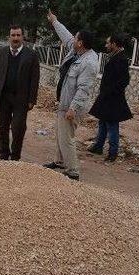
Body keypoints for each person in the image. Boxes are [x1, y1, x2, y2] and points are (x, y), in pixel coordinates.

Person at [43, 10, 98, 181]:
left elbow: (84, 89)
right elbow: (65, 37)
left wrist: (73, 108)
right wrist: (54, 22)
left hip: (72, 106)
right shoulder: (76, 52)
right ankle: (60, 161)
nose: (72, 39)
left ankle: (73, 170)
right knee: (61, 133)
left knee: (67, 137)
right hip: (64, 102)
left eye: (76, 38)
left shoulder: (89, 62)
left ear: (80, 43)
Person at [0, 25, 40, 161]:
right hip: (4, 96)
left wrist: (32, 100)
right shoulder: (1, 52)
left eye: (18, 35)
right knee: (2, 126)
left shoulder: (31, 55)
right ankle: (4, 154)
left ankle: (15, 156)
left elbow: (35, 79)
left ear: (23, 37)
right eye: (13, 35)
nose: (15, 38)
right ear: (9, 37)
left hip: (21, 99)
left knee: (18, 128)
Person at [87, 33, 133, 162]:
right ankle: (98, 146)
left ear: (114, 44)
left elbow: (124, 81)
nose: (106, 45)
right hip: (107, 96)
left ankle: (113, 152)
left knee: (112, 125)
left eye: (108, 43)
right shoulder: (115, 57)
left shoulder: (121, 59)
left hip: (113, 98)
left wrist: (110, 92)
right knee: (102, 121)